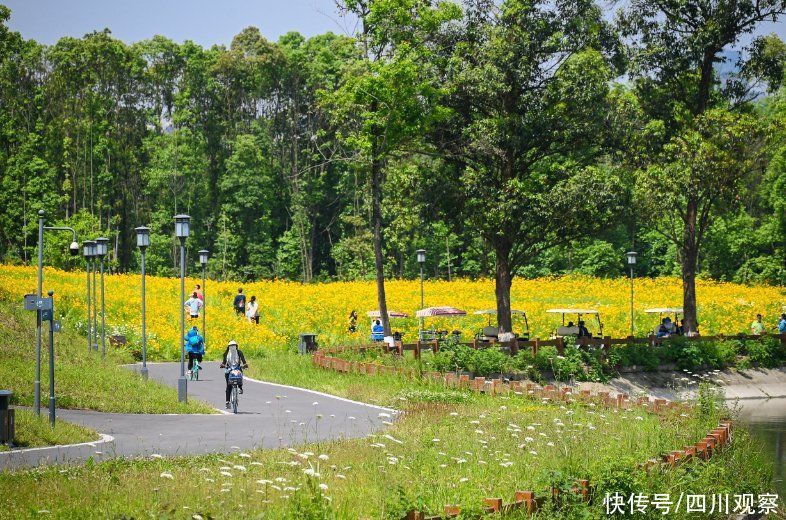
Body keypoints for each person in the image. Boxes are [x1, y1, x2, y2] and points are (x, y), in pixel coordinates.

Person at [220, 340, 248, 409]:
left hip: (237, 368)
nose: (232, 347)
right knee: (228, 386)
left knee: (240, 377)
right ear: (229, 347)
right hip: (229, 369)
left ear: (236, 346)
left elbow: (243, 360)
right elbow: (224, 362)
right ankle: (227, 402)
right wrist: (222, 365)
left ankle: (240, 388)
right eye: (231, 346)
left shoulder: (239, 352)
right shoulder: (226, 353)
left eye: (234, 345)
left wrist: (245, 365)